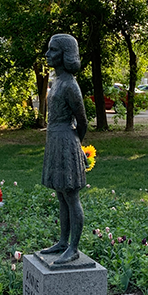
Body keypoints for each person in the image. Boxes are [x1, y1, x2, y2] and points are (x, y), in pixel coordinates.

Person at [41, 34, 88, 264]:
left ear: (65, 55)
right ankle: (62, 241)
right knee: (60, 194)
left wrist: (73, 146)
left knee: (71, 196)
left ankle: (74, 247)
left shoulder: (70, 85)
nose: (48, 54)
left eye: (53, 50)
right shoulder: (57, 81)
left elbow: (83, 121)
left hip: (66, 141)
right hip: (55, 140)